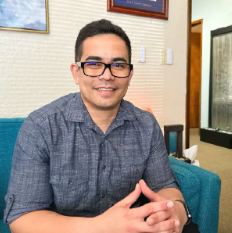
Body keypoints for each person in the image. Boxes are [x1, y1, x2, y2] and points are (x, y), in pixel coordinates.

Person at [4, 19, 197, 233]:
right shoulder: (41, 127)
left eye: (118, 65)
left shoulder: (146, 124)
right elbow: (22, 218)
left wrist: (176, 212)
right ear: (76, 72)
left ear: (129, 74)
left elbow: (164, 186)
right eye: (94, 64)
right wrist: (101, 226)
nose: (107, 75)